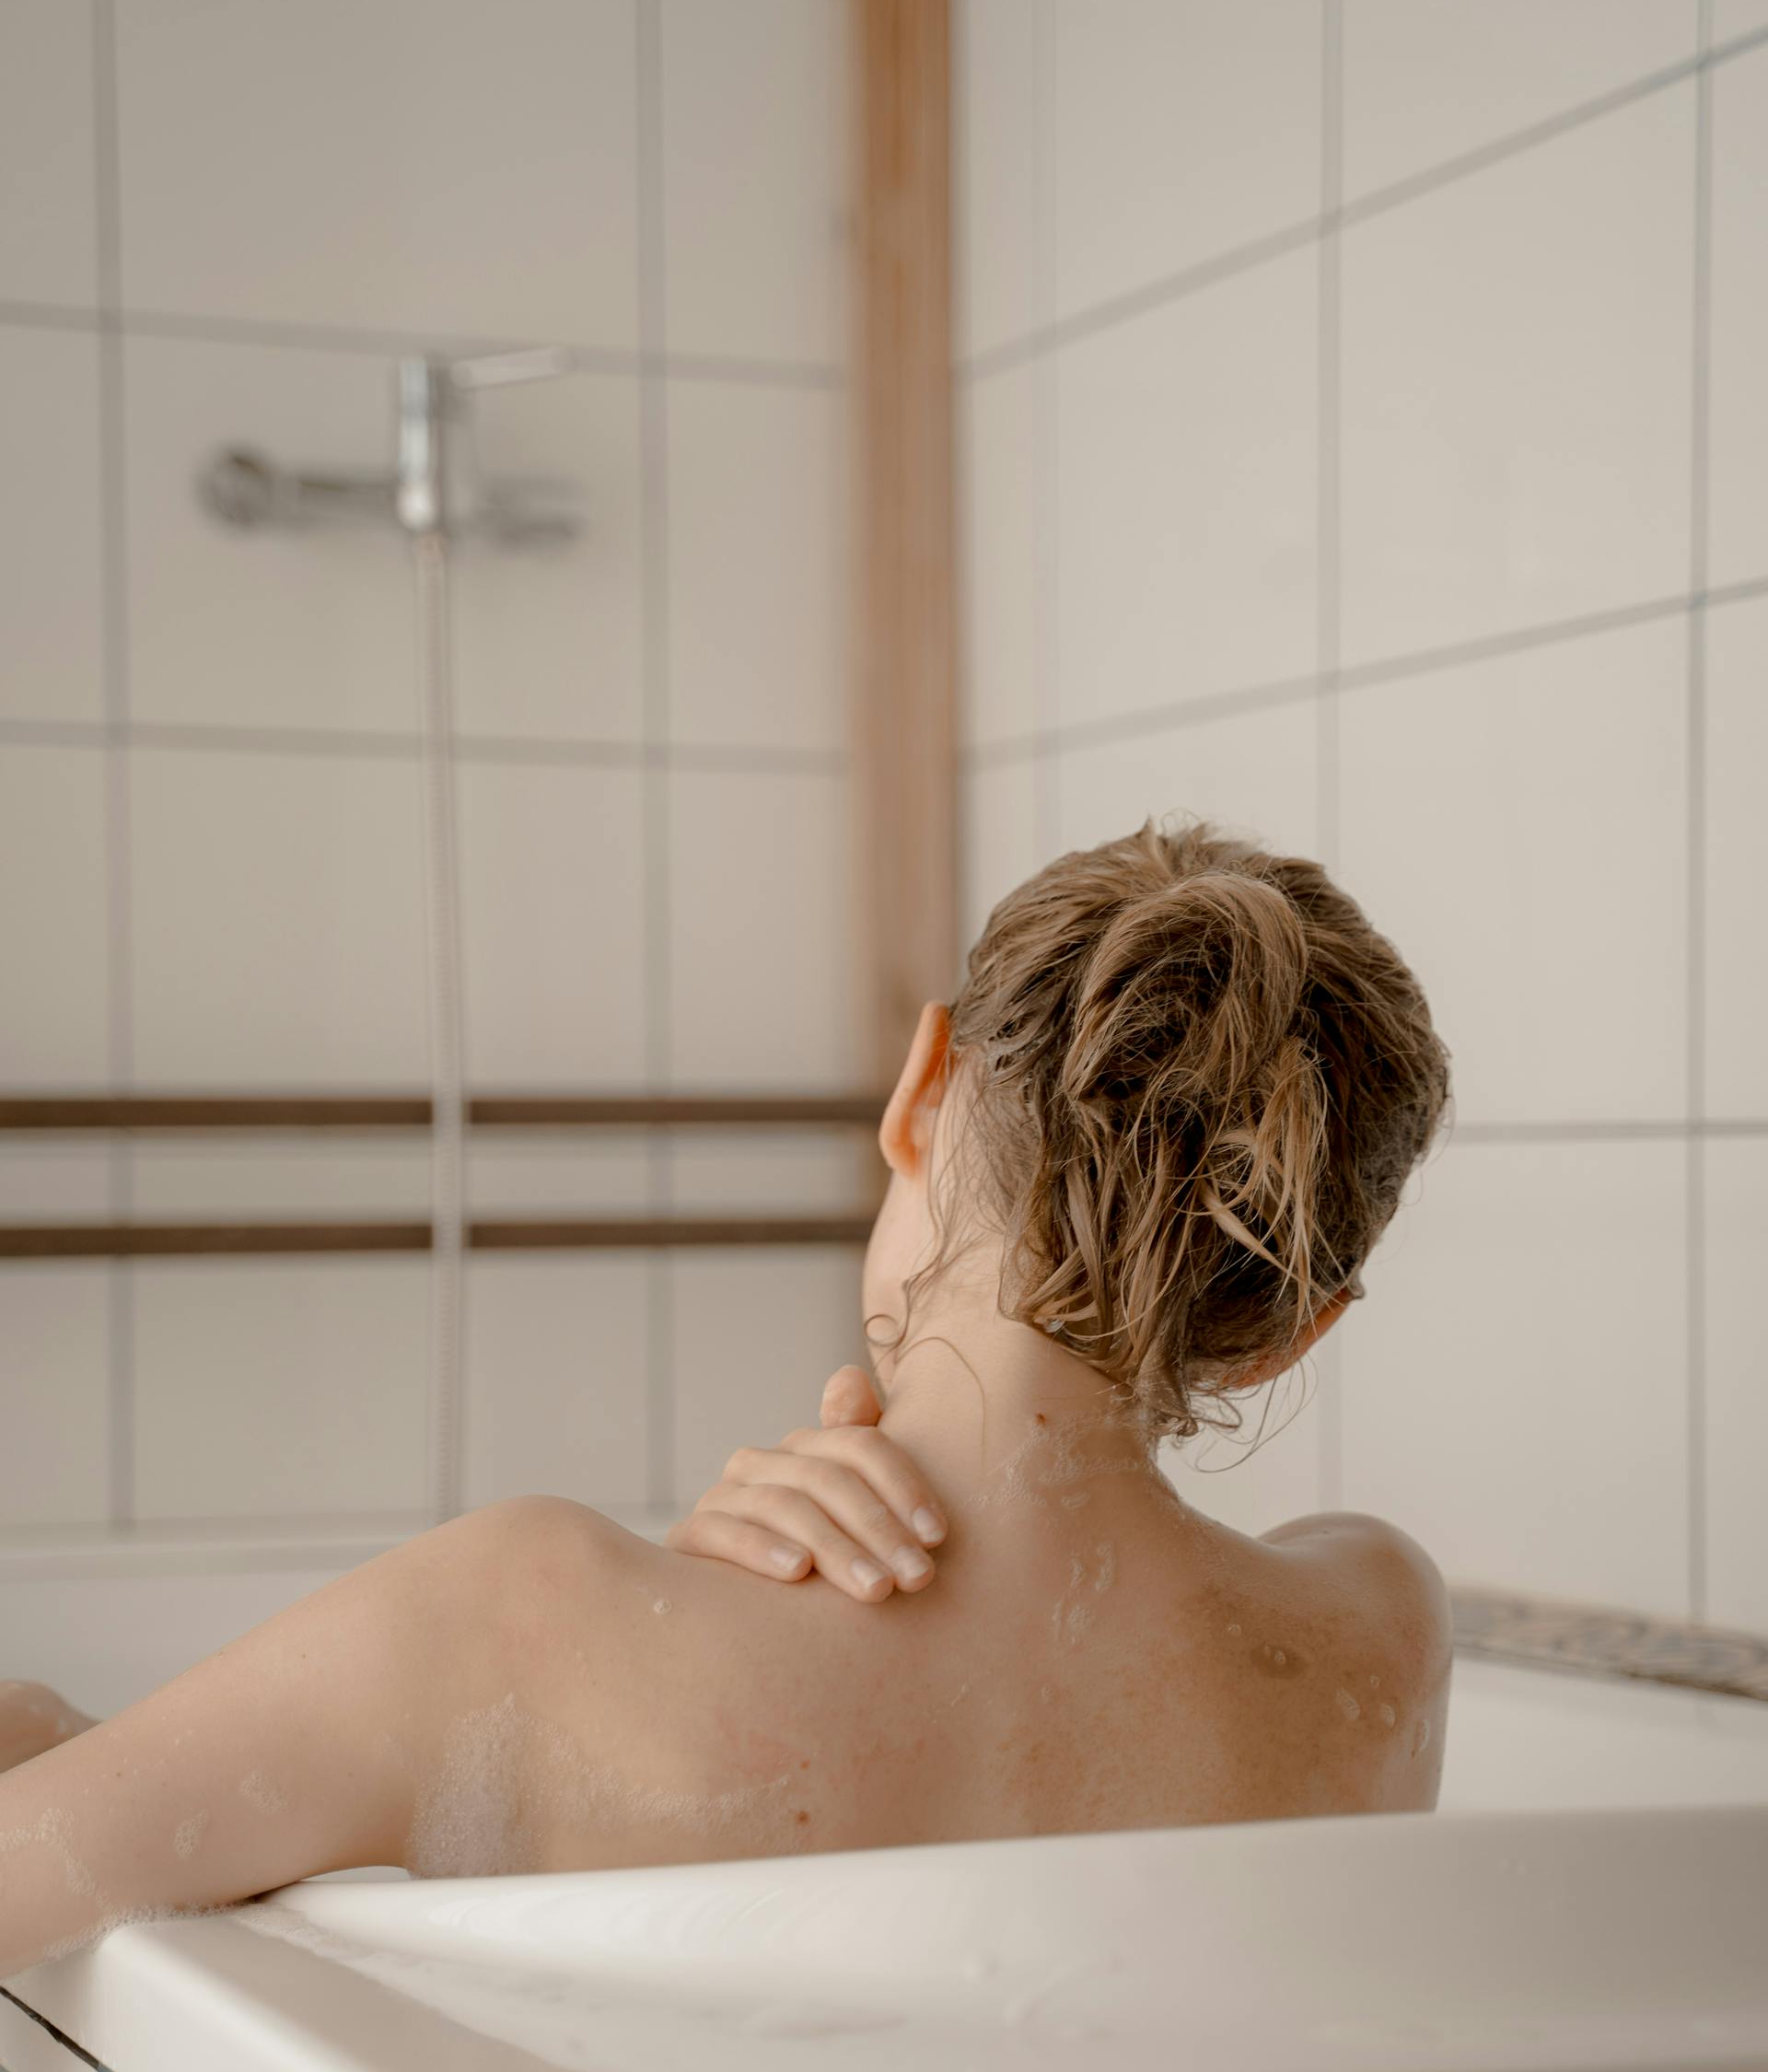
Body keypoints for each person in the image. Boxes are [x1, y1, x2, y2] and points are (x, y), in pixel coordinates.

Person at [0, 821, 1453, 1982]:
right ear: (1286, 1334)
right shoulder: (1380, 1640)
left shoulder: (517, 1622)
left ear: (920, 1091)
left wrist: (63, 1734)